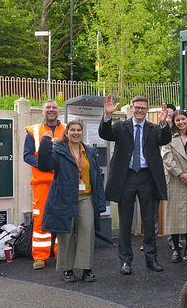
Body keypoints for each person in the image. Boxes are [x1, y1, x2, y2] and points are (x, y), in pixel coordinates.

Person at [99, 95, 171, 275]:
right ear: (131, 108)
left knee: (149, 220)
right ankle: (125, 261)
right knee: (125, 221)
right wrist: (107, 116)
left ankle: (151, 258)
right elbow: (105, 134)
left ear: (147, 110)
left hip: (147, 177)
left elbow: (165, 139)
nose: (140, 110)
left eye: (143, 108)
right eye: (137, 107)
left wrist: (164, 123)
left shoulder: (154, 128)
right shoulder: (120, 127)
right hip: (127, 177)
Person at [37, 120, 106, 283]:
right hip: (65, 197)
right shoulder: (59, 150)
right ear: (66, 133)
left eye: (79, 130)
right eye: (72, 130)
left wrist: (100, 199)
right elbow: (45, 165)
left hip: (86, 197)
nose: (76, 133)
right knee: (65, 234)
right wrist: (46, 143)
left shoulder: (89, 151)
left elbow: (95, 176)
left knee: (87, 232)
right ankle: (67, 269)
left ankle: (86, 268)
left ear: (82, 133)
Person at [23, 100, 66, 270]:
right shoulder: (33, 130)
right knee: (40, 219)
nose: (51, 110)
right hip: (42, 183)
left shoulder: (67, 130)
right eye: (48, 107)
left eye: (54, 107)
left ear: (58, 111)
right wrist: (44, 164)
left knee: (63, 217)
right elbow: (27, 155)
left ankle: (61, 253)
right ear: (42, 111)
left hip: (63, 182)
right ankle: (40, 256)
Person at [161, 110, 187, 262]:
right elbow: (167, 159)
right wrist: (180, 174)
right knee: (174, 216)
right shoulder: (168, 138)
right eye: (178, 120)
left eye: (183, 119)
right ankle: (176, 249)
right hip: (176, 180)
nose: (181, 122)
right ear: (174, 122)